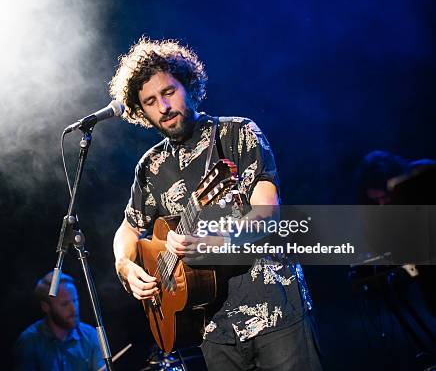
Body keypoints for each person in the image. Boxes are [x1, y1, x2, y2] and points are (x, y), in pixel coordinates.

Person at [110, 37, 321, 370]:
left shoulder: (238, 133)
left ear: (189, 86)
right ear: (141, 111)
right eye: (150, 101)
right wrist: (125, 265)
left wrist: (214, 244)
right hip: (210, 327)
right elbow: (128, 228)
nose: (163, 107)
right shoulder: (149, 168)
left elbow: (268, 213)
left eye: (168, 92)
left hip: (275, 309)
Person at [13, 272, 104, 371]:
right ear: (45, 307)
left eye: (75, 300)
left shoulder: (90, 335)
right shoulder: (29, 341)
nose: (74, 309)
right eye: (65, 304)